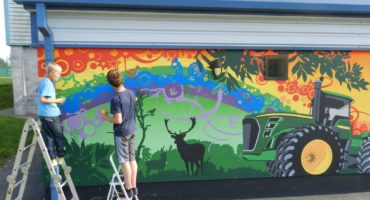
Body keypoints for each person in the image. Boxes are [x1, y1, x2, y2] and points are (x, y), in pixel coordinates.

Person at [101, 69, 138, 198]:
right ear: (121, 80)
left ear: (110, 84)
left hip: (122, 133)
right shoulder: (130, 93)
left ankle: (128, 188)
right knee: (132, 159)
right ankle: (133, 187)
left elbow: (118, 119)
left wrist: (105, 117)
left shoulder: (116, 99)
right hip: (132, 130)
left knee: (124, 161)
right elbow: (134, 101)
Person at [37, 62, 66, 200]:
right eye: (58, 73)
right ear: (50, 73)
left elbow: (43, 99)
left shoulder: (43, 80)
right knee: (59, 136)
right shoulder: (48, 83)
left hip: (44, 115)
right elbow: (43, 99)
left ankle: (53, 159)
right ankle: (60, 156)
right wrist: (58, 100)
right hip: (51, 115)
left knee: (49, 138)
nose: (60, 75)